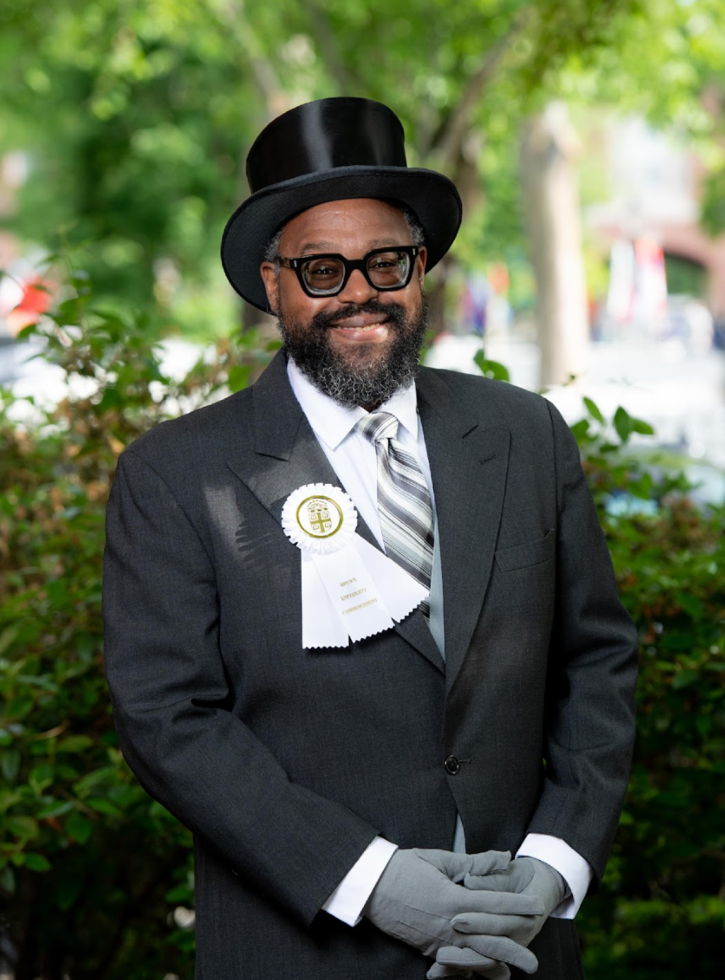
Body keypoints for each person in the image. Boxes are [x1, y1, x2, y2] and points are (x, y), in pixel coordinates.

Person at [103, 97, 638, 980]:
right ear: (271, 283)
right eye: (321, 268)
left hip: (522, 945)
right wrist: (371, 881)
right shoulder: (174, 473)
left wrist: (555, 864)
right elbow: (169, 722)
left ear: (418, 268)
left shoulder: (523, 433)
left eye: (385, 260)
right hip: (305, 948)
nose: (358, 292)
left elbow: (597, 661)